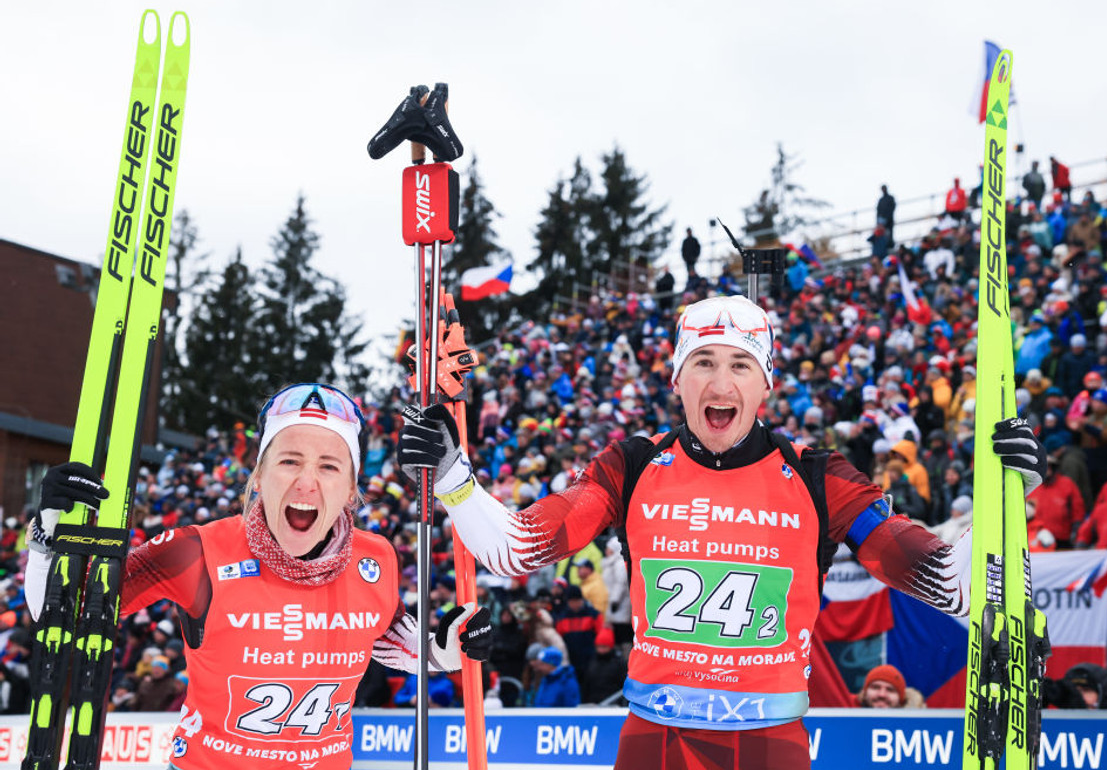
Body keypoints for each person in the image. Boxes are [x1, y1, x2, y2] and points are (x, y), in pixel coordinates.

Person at [398, 295, 1046, 770]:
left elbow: (949, 585)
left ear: (765, 383)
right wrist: (454, 474)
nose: (720, 381)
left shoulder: (817, 475)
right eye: (702, 362)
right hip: (657, 737)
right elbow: (518, 549)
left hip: (769, 742)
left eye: (740, 365)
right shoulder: (631, 465)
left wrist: (1005, 502)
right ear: (677, 378)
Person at [28, 382, 492, 770]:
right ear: (260, 473)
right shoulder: (197, 551)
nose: (306, 483)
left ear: (351, 488)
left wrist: (444, 651)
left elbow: (387, 639)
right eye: (289, 460)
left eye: (329, 466)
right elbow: (58, 616)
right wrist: (48, 537)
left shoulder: (376, 558)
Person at [857, 664, 921, 709]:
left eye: (890, 690)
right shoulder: (850, 716)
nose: (882, 695)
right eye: (875, 687)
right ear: (864, 693)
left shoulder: (917, 725)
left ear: (901, 699)